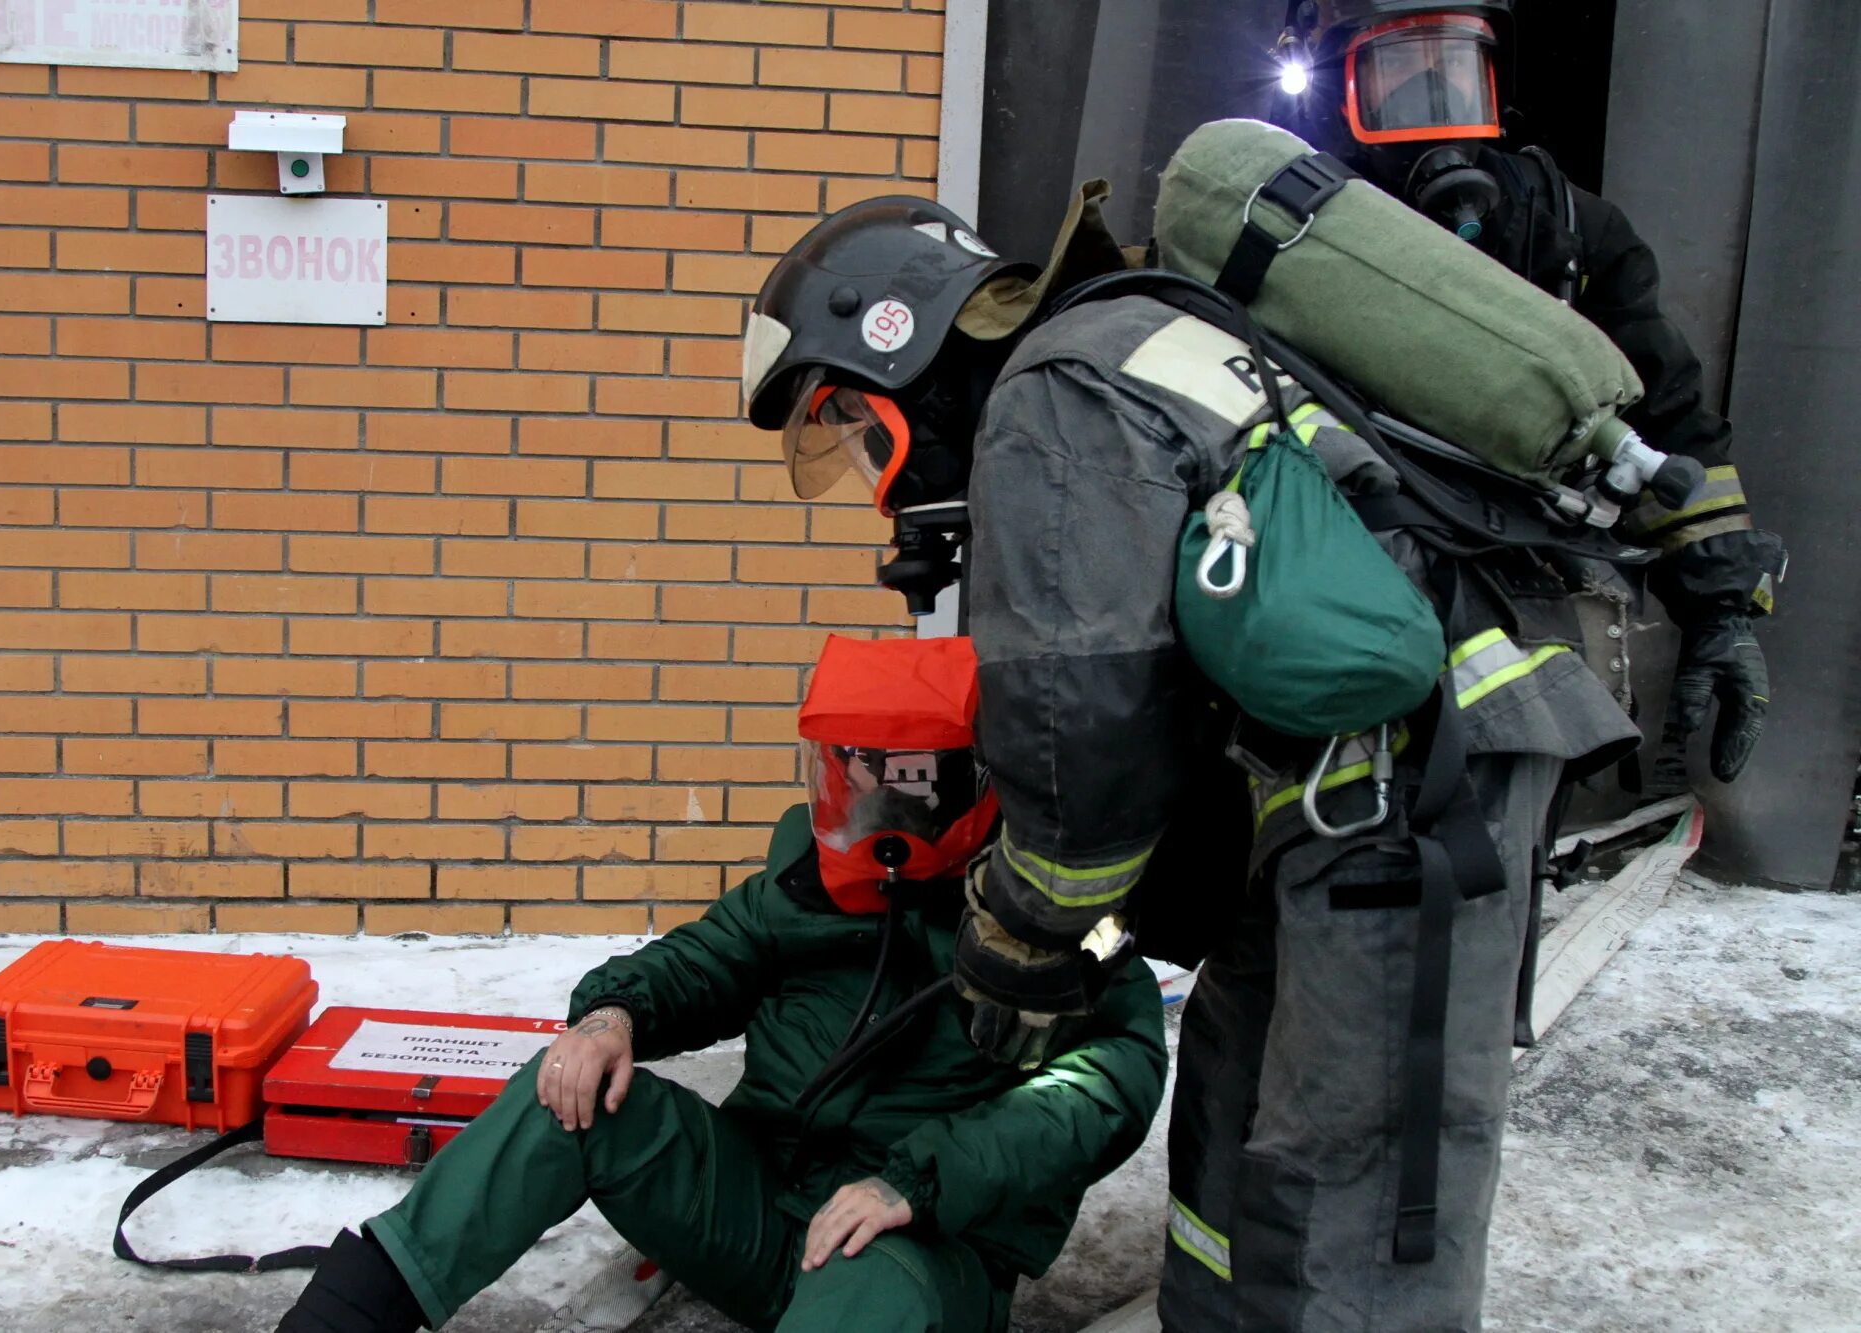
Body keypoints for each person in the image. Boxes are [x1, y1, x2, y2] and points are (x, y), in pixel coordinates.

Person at [742, 159, 1777, 1326]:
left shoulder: (1050, 391)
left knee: (1352, 1180)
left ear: (898, 342)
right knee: (1238, 1135)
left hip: (1402, 799)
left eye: (853, 429)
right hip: (1327, 802)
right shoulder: (1132, 338)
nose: (877, 480)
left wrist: (1021, 933)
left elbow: (1080, 715)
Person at [276, 634, 1167, 1333]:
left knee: (873, 1283)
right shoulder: (809, 879)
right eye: (840, 777)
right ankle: (349, 1314)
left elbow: (1105, 1086)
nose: (855, 808)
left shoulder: (1054, 908)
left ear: (961, 784)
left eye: (884, 786)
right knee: (571, 1096)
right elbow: (708, 959)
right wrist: (611, 1013)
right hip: (758, 1200)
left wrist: (915, 1183)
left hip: (918, 1249)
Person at [1272, 0, 1785, 798]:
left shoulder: (1567, 232)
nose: (1435, 103)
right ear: (1331, 90)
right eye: (1398, 77)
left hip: (1515, 574)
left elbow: (1669, 417)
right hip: (1319, 572)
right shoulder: (1275, 232)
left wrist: (1724, 607)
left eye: (1456, 72)